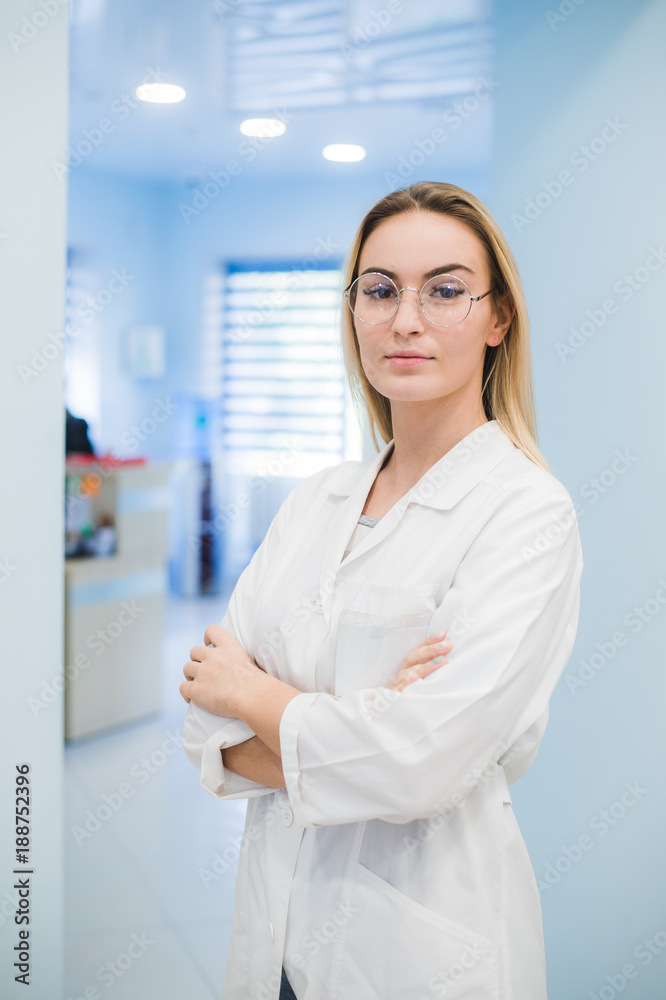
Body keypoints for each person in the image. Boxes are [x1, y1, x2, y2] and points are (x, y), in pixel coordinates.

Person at [180, 180, 583, 1000]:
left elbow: (420, 764)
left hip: (420, 952)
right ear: (354, 308)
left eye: (444, 290)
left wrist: (255, 690)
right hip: (276, 935)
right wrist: (365, 720)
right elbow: (205, 725)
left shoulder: (527, 512)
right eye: (379, 289)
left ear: (498, 317)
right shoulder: (315, 500)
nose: (405, 319)